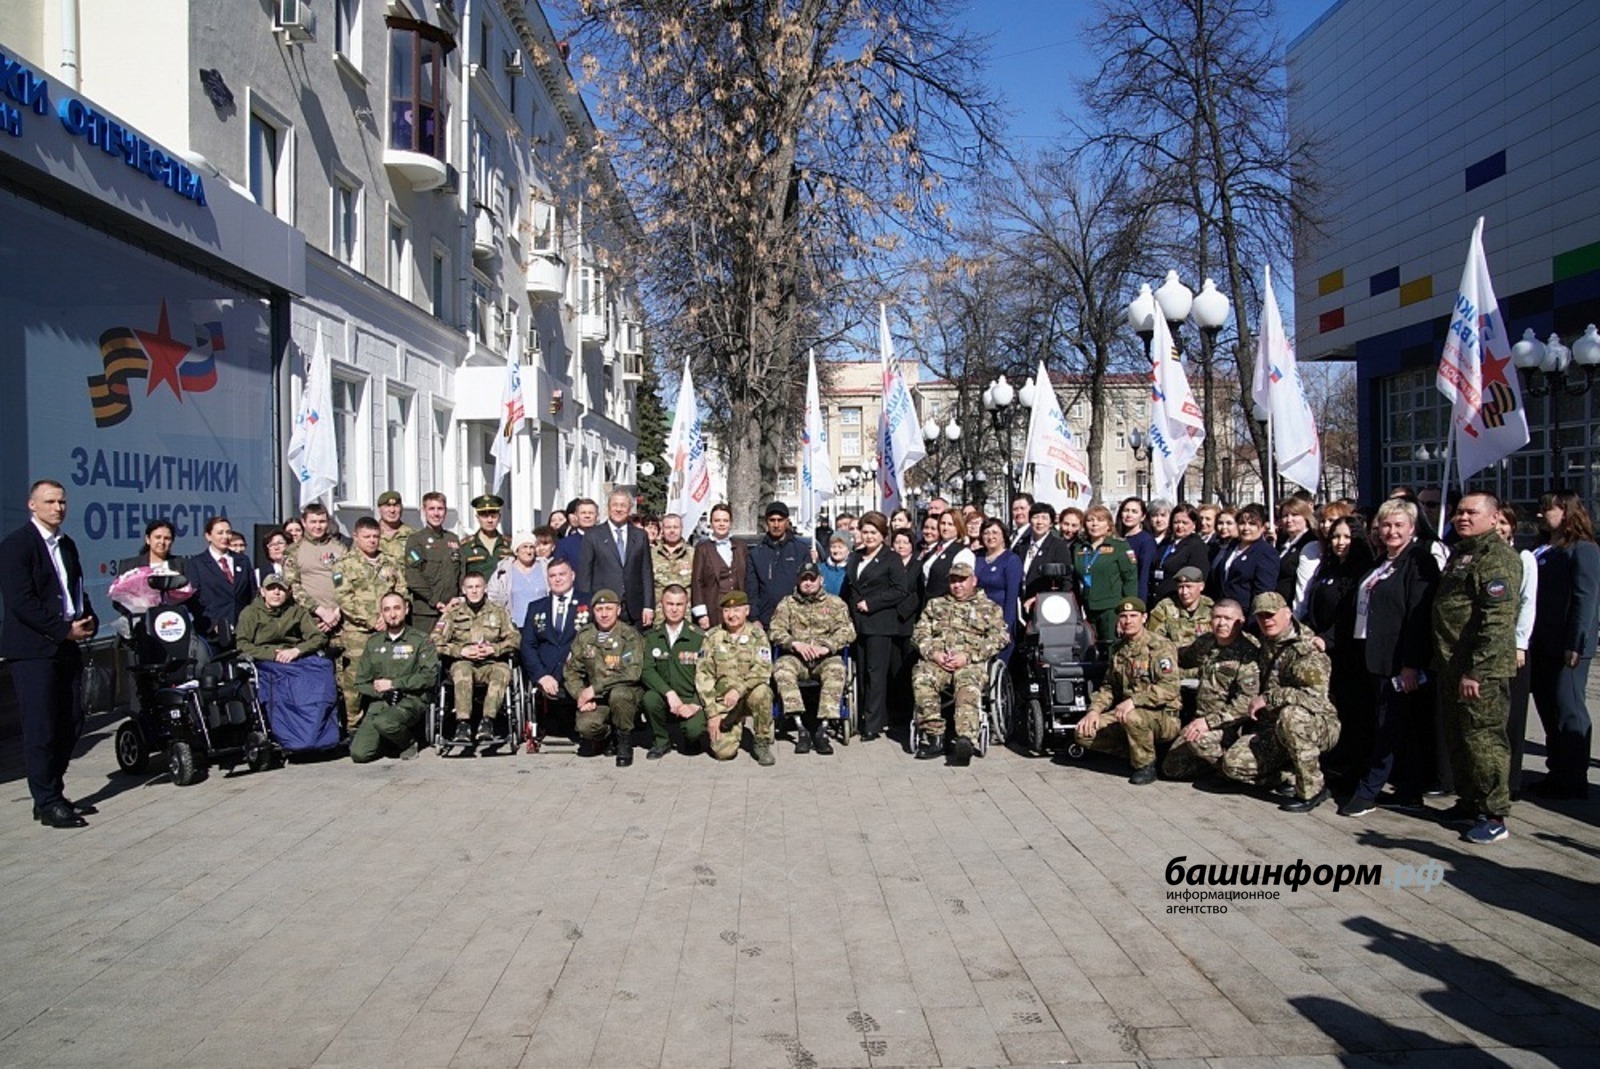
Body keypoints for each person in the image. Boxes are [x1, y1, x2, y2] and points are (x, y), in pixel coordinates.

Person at [0, 480, 98, 828]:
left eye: (62, 502)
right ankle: (47, 801)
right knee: (41, 727)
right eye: (50, 501)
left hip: (66, 646)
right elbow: (21, 601)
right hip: (34, 650)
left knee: (71, 719)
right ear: (32, 505)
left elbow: (75, 590)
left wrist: (87, 617)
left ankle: (51, 792)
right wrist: (61, 629)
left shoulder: (66, 544)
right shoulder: (17, 545)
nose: (58, 508)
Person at [1335, 499, 1439, 817]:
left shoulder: (1419, 561)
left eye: (1398, 525)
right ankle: (1409, 790)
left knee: (1389, 725)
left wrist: (1410, 664)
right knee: (1394, 726)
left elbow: (1418, 616)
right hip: (1370, 655)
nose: (1392, 531)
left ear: (1412, 527)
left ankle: (1369, 789)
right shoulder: (1382, 561)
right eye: (1386, 525)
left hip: (1396, 660)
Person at [1431, 492, 1521, 842]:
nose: (1462, 517)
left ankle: (1494, 814)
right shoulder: (1462, 553)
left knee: (1484, 740)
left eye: (1472, 512)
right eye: (1459, 512)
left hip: (1479, 670)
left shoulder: (1497, 558)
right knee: (1459, 738)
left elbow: (1497, 621)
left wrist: (1477, 671)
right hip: (1452, 663)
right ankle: (1469, 801)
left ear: (1494, 517)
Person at [1220, 592, 1339, 812]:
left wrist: (1269, 698)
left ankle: (1313, 789)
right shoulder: (1265, 642)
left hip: (1315, 724)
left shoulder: (1306, 650)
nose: (1266, 620)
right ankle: (1288, 775)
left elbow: (1315, 699)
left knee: (1291, 716)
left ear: (1287, 613)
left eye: (1271, 614)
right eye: (1261, 616)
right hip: (1274, 729)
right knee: (1232, 764)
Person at [1527, 490, 1599, 801]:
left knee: (1568, 708)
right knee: (1547, 708)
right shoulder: (1542, 549)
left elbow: (1586, 598)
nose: (1540, 515)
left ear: (1567, 512)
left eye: (1547, 509)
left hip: (1567, 645)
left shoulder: (1583, 549)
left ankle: (1574, 778)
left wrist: (1576, 642)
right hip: (1541, 642)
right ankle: (1556, 771)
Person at [1073, 597, 1182, 784]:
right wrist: (1094, 711)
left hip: (1163, 716)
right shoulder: (1118, 649)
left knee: (1133, 717)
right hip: (1127, 714)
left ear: (1144, 618)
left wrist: (1134, 701)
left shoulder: (1160, 646)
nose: (1128, 621)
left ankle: (1145, 766)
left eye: (1133, 616)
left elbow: (1169, 687)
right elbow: (1108, 687)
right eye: (1123, 616)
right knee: (1083, 732)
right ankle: (1139, 751)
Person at [910, 559, 1009, 764]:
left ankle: (966, 739)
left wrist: (968, 656)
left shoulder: (989, 608)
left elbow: (1000, 638)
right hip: (938, 661)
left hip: (969, 662)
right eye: (953, 581)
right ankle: (934, 736)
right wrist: (934, 654)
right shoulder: (935, 605)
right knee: (922, 677)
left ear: (974, 580)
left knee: (967, 686)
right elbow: (919, 633)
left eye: (962, 580)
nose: (957, 585)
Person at [1302, 512, 1375, 778]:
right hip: (1319, 648)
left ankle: (1349, 765)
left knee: (1349, 710)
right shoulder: (1328, 568)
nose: (1340, 542)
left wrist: (1328, 638)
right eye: (1335, 537)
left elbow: (1351, 613)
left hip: (1346, 651)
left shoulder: (1362, 572)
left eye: (1346, 537)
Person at [1160, 599, 1261, 780]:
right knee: (1172, 768)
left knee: (1199, 741)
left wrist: (1209, 722)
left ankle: (1230, 771)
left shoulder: (1248, 653)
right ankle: (1213, 764)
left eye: (1228, 619)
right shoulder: (1206, 642)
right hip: (1200, 719)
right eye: (1217, 617)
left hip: (1231, 725)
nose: (1221, 623)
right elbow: (1183, 657)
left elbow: (1246, 703)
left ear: (1240, 622)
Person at [333, 517, 409, 735]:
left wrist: (390, 616)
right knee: (355, 681)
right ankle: (353, 726)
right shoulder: (343, 565)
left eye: (376, 536)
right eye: (367, 537)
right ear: (356, 537)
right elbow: (343, 598)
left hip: (390, 629)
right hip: (357, 633)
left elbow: (402, 591)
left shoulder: (390, 562)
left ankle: (389, 722)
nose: (372, 541)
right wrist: (371, 619)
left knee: (390, 676)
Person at [770, 562, 856, 755]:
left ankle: (822, 729)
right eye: (804, 579)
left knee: (837, 669)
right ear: (798, 581)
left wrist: (827, 647)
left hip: (825, 658)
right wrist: (794, 643)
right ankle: (800, 727)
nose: (808, 583)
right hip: (796, 657)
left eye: (812, 578)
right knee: (782, 669)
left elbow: (847, 631)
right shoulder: (787, 604)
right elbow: (775, 630)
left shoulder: (835, 603)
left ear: (820, 580)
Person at [842, 511, 912, 742]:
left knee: (876, 674)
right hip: (857, 624)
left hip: (880, 624)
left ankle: (873, 724)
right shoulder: (855, 557)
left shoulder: (891, 558)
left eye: (873, 532)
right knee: (861, 673)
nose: (869, 536)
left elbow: (900, 590)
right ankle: (862, 717)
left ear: (883, 534)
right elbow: (849, 588)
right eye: (865, 532)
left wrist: (872, 603)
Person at [434, 572, 522, 746]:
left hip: (492, 662)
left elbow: (515, 638)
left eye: (478, 587)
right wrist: (461, 651)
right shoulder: (453, 614)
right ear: (463, 590)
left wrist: (494, 649)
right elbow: (435, 641)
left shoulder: (499, 612)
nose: (474, 591)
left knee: (502, 672)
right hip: (463, 662)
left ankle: (488, 721)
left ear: (485, 588)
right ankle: (463, 723)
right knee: (462, 671)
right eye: (470, 587)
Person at [350, 592, 438, 763]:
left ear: (406, 609)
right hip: (381, 701)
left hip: (411, 699)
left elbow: (429, 677)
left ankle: (408, 743)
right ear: (381, 613)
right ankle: (388, 740)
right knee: (359, 754)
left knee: (385, 723)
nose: (392, 614)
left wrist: (395, 684)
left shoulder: (421, 640)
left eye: (397, 608)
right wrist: (382, 692)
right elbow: (361, 682)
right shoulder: (374, 643)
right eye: (387, 609)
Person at [563, 589, 646, 766]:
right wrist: (580, 695)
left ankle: (624, 740)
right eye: (599, 609)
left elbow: (632, 673)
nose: (604, 614)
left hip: (627, 695)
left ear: (618, 610)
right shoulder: (585, 636)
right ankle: (607, 736)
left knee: (619, 695)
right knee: (586, 727)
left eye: (609, 608)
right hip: (598, 699)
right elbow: (571, 671)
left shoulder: (629, 636)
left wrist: (594, 689)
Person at [695, 590, 777, 764]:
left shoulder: (757, 635)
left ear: (747, 611)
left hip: (749, 696)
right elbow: (703, 675)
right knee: (723, 753)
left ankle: (761, 741)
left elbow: (763, 669)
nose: (731, 615)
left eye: (736, 610)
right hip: (723, 701)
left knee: (763, 692)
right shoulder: (712, 637)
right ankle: (735, 722)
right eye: (726, 610)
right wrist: (712, 713)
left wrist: (739, 690)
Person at [1497, 504, 1539, 800]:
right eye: (1495, 522)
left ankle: (1511, 781)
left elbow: (1527, 602)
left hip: (1513, 648)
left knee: (1513, 717)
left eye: (1504, 522)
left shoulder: (1523, 557)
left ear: (1512, 526)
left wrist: (1520, 643)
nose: (1499, 527)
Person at [641, 584, 709, 758]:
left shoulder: (699, 637)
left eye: (679, 604)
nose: (674, 609)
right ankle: (661, 741)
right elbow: (647, 670)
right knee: (649, 699)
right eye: (670, 604)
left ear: (686, 606)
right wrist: (669, 693)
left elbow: (709, 674)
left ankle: (691, 738)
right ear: (661, 604)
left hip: (691, 697)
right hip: (665, 696)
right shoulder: (651, 637)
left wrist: (695, 703)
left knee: (694, 730)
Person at [519, 557, 590, 718]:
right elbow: (528, 646)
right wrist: (541, 675)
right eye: (552, 576)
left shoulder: (588, 602)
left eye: (562, 574)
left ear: (572, 575)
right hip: (547, 676)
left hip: (580, 676)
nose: (557, 579)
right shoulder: (536, 607)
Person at [579, 489, 656, 628]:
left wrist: (648, 606)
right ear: (608, 508)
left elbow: (646, 573)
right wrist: (586, 607)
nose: (618, 509)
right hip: (604, 607)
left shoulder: (640, 536)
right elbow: (585, 575)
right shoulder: (593, 536)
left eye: (623, 505)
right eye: (615, 505)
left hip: (634, 609)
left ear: (630, 509)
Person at [1073, 504, 1137, 651]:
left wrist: (1126, 613)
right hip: (1088, 608)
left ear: (1109, 525)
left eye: (1100, 520)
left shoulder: (1119, 547)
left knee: (1111, 649)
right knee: (1090, 650)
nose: (1094, 524)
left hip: (1111, 609)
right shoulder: (1079, 548)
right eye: (1090, 520)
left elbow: (1130, 580)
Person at [284, 502, 347, 638]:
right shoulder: (294, 551)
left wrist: (337, 611)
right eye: (313, 522)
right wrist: (320, 611)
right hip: (309, 620)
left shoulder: (339, 548)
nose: (318, 526)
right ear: (304, 522)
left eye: (322, 522)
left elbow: (343, 580)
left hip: (339, 619)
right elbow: (293, 586)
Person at [746, 500, 812, 627]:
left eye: (780, 520)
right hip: (766, 621)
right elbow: (752, 589)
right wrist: (754, 618)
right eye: (772, 520)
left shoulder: (800, 550)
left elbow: (808, 585)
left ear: (787, 521)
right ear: (766, 522)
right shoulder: (756, 553)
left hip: (796, 620)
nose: (776, 525)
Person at [404, 492, 463, 633]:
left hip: (452, 610)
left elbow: (462, 572)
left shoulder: (453, 539)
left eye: (440, 509)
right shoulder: (416, 540)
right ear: (423, 511)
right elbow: (414, 577)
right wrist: (435, 601)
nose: (436, 514)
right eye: (431, 509)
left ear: (445, 511)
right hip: (426, 613)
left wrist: (459, 599)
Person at [189, 514, 256, 637]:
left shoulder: (243, 561)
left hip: (242, 631)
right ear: (208, 536)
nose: (225, 536)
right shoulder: (197, 563)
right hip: (212, 632)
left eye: (228, 532)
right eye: (220, 533)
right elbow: (194, 599)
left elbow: (252, 594)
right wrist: (212, 625)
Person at [111, 519, 194, 616]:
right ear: (148, 539)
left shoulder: (182, 564)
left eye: (167, 538)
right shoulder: (129, 565)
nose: (162, 542)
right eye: (158, 537)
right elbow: (118, 601)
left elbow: (192, 599)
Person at [236, 574, 327, 662]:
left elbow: (318, 637)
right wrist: (272, 655)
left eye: (281, 589)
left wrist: (297, 650)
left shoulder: (297, 611)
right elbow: (242, 644)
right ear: (262, 592)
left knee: (324, 665)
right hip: (264, 659)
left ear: (288, 593)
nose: (276, 592)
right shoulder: (251, 613)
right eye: (271, 588)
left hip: (293, 656)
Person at [1210, 504, 1278, 614]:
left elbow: (1263, 592)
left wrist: (1253, 618)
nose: (1246, 528)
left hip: (1245, 613)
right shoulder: (1232, 546)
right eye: (1242, 523)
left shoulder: (1265, 552)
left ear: (1263, 527)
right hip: (1224, 611)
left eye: (1252, 524)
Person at [691, 503, 748, 629]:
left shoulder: (741, 547)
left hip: (738, 608)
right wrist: (701, 614)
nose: (721, 524)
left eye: (725, 520)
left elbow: (747, 579)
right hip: (714, 608)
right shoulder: (702, 548)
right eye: (717, 520)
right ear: (711, 523)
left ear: (731, 523)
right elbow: (697, 581)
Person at [974, 518, 1022, 657]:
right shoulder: (977, 556)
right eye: (986, 533)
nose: (990, 537)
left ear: (1003, 536)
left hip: (998, 619)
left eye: (995, 533)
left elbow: (1012, 597)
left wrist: (1006, 627)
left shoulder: (1011, 560)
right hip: (977, 619)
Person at [1021, 502, 1077, 614]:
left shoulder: (1058, 546)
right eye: (1035, 517)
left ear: (1051, 523)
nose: (1039, 522)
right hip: (1021, 604)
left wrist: (1041, 599)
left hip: (1046, 607)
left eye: (1044, 518)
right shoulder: (1022, 545)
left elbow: (1066, 581)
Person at [488, 529, 550, 628]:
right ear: (516, 551)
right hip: (514, 627)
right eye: (524, 547)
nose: (528, 551)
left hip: (542, 625)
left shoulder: (545, 567)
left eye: (531, 547)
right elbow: (493, 597)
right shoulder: (503, 571)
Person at [1150, 505, 1211, 606]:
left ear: (1194, 524)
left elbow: (1197, 578)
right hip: (1157, 599)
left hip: (1176, 602)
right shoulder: (1166, 543)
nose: (1180, 526)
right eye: (1176, 522)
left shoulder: (1197, 546)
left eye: (1184, 523)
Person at [1146, 566, 1212, 651]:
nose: (1184, 592)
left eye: (1189, 587)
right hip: (1172, 655)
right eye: (1181, 587)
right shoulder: (1165, 607)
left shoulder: (1211, 608)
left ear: (1201, 586)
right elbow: (1153, 637)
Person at [1276, 498, 1322, 616]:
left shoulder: (1310, 544)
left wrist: (1297, 615)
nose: (1289, 520)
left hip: (1293, 611)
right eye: (1285, 516)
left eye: (1295, 515)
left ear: (1305, 517)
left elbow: (1305, 585)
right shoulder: (1285, 543)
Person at [461, 494, 511, 580]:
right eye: (485, 516)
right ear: (477, 518)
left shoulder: (510, 545)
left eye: (493, 516)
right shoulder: (466, 546)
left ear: (499, 518)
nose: (489, 520)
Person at [921, 510, 967, 604]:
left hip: (945, 606)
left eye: (950, 524)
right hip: (927, 603)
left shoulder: (962, 552)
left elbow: (961, 586)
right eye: (943, 523)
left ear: (958, 527)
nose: (945, 528)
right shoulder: (935, 548)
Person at [650, 513, 695, 608]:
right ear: (662, 529)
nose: (672, 531)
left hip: (686, 612)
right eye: (668, 527)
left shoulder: (693, 554)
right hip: (658, 612)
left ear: (681, 529)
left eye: (675, 527)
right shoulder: (651, 554)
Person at [1117, 496, 1157, 602]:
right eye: (1126, 510)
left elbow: (1144, 574)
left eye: (1134, 511)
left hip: (1134, 597)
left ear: (1142, 517)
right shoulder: (1117, 539)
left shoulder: (1146, 541)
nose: (1129, 515)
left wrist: (1139, 603)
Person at [375, 490, 416, 565]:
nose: (392, 510)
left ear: (402, 508)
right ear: (379, 509)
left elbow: (418, 563)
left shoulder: (413, 536)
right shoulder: (369, 534)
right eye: (387, 506)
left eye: (396, 506)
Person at [554, 498, 597, 565]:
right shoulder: (564, 544)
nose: (587, 516)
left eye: (591, 513)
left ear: (597, 515)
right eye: (583, 513)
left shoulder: (606, 540)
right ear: (576, 516)